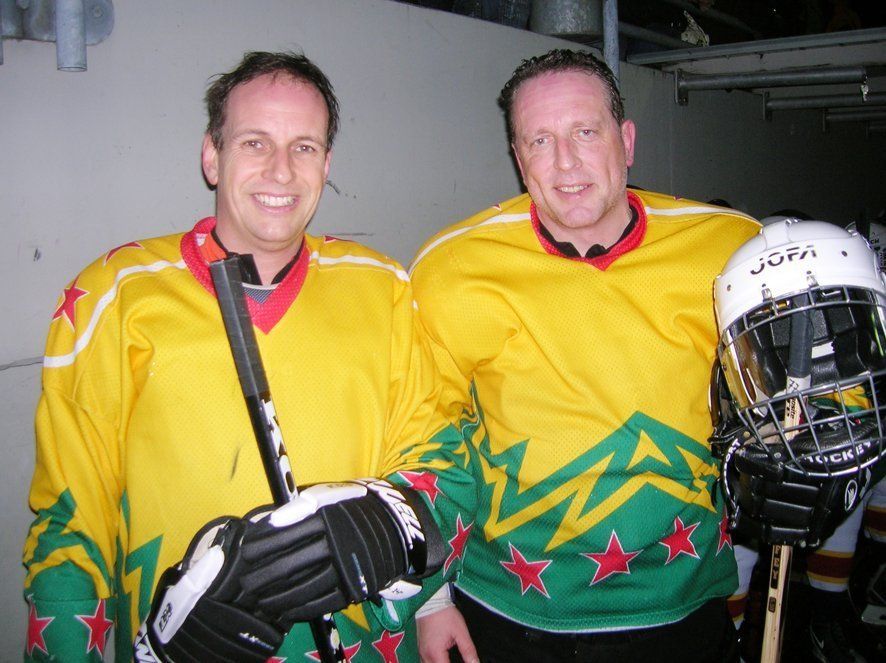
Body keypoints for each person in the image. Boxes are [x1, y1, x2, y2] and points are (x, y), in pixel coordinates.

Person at [22, 51, 475, 662]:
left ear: (327, 164)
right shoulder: (114, 295)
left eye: (304, 147)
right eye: (255, 142)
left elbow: (437, 453)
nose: (281, 171)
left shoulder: (383, 287)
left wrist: (425, 589)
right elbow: (71, 518)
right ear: (212, 156)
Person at [410, 48, 759, 662]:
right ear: (519, 159)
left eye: (585, 132)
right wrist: (431, 598)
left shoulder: (730, 248)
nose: (565, 162)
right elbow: (425, 437)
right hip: (509, 609)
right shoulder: (451, 268)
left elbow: (786, 408)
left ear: (627, 141)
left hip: (682, 601)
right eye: (539, 141)